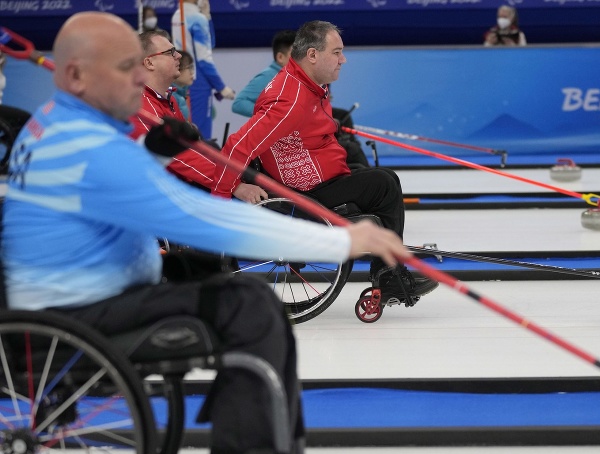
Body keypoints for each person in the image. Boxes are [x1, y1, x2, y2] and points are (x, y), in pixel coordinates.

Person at [2, 11, 413, 454]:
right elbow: (202, 218)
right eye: (126, 67)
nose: (138, 79)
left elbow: (118, 188)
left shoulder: (54, 122)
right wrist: (342, 239)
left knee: (224, 286)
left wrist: (154, 152)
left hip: (65, 298)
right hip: (77, 320)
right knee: (250, 307)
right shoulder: (91, 148)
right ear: (77, 76)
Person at [213, 21, 436, 303]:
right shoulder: (290, 98)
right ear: (313, 55)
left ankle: (388, 265)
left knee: (372, 173)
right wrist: (225, 196)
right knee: (385, 184)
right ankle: (390, 278)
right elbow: (237, 146)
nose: (343, 59)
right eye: (337, 52)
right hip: (307, 191)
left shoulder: (307, 84)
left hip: (320, 176)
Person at [128, 30, 267, 204]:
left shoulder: (168, 100)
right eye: (170, 52)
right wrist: (233, 186)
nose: (178, 56)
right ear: (149, 62)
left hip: (179, 190)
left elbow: (191, 149)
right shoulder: (141, 104)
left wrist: (232, 174)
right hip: (161, 200)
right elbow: (177, 156)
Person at [233, 29, 369, 168]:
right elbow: (238, 104)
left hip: (303, 131)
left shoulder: (296, 75)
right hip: (288, 139)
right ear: (280, 58)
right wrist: (276, 114)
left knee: (342, 118)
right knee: (350, 150)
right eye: (295, 55)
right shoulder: (268, 76)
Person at [171, 0, 235, 140]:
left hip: (180, 74)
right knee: (200, 135)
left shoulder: (176, 15)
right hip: (197, 79)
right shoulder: (198, 19)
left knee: (186, 130)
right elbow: (205, 58)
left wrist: (207, 17)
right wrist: (221, 87)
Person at [172, 48, 194, 122]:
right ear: (177, 68)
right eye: (189, 68)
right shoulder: (170, 96)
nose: (192, 72)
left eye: (192, 68)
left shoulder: (180, 95)